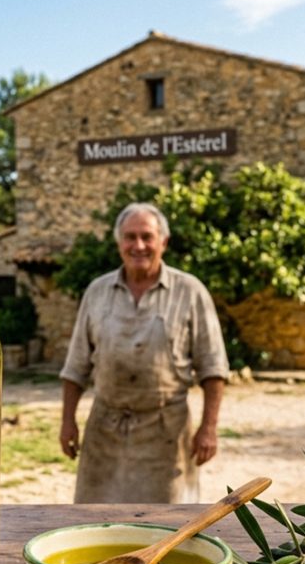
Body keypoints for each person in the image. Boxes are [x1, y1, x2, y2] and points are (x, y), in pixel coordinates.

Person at [59, 203, 229, 503]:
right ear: (118, 243)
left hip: (166, 433)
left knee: (166, 526)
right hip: (104, 431)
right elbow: (76, 366)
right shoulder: (97, 292)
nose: (138, 245)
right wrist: (67, 421)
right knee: (95, 520)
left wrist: (208, 429)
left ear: (163, 241)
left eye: (147, 237)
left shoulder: (190, 291)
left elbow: (213, 367)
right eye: (130, 237)